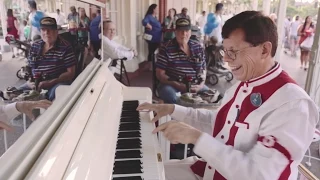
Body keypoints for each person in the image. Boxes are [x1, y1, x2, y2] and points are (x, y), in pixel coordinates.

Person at [137, 11, 318, 180]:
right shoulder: (243, 84)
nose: (225, 59)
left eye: (233, 51)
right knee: (144, 172)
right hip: (209, 169)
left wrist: (197, 138)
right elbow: (221, 124)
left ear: (264, 50)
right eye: (225, 51)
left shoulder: (292, 104)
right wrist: (173, 109)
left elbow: (260, 175)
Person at [18, 17, 76, 101]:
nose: (46, 33)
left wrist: (51, 82)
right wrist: (29, 81)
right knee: (15, 94)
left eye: (50, 30)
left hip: (56, 83)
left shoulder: (65, 47)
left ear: (56, 31)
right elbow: (30, 67)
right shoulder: (35, 46)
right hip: (35, 83)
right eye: (43, 30)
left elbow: (71, 73)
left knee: (51, 97)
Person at [156, 18, 208, 104]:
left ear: (190, 32)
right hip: (172, 85)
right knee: (172, 98)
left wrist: (201, 85)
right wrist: (178, 85)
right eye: (180, 31)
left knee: (214, 98)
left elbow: (203, 70)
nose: (184, 34)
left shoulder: (198, 47)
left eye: (186, 30)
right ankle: (180, 116)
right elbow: (160, 74)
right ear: (175, 32)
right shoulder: (166, 48)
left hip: (195, 85)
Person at [142, 4, 162, 69]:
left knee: (155, 51)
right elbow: (144, 21)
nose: (158, 10)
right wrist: (148, 25)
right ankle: (150, 66)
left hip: (157, 37)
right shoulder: (149, 16)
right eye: (157, 8)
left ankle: (153, 65)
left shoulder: (155, 17)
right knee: (151, 51)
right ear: (153, 9)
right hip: (152, 38)